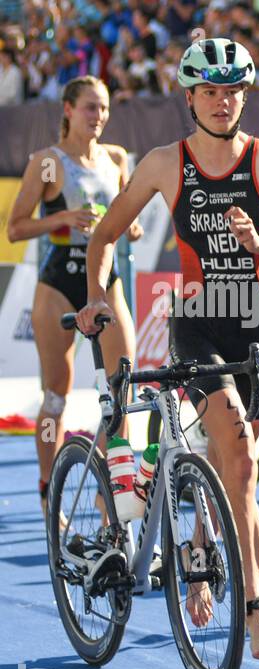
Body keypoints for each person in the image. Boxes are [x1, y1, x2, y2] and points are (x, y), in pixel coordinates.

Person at [76, 37, 259, 661]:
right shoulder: (164, 162)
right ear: (190, 97)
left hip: (258, 324)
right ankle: (255, 610)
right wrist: (96, 299)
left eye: (233, 89)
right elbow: (104, 235)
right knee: (235, 445)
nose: (222, 100)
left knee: (238, 474)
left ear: (245, 95)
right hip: (198, 322)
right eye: (209, 91)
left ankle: (203, 539)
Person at [6, 75, 140, 516]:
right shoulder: (47, 162)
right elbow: (16, 228)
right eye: (89, 107)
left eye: (103, 108)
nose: (98, 116)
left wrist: (130, 227)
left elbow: (127, 218)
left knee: (121, 389)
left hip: (105, 281)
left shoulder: (117, 158)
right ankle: (49, 491)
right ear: (67, 109)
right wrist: (62, 217)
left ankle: (105, 487)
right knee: (56, 396)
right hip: (59, 282)